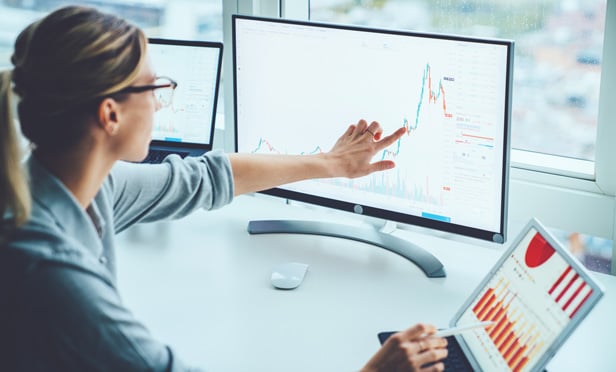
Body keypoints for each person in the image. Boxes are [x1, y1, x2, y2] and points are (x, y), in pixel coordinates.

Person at [0, 5, 448, 371]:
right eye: (153, 87)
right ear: (110, 115)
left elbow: (203, 178)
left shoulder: (73, 185)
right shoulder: (51, 270)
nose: (160, 101)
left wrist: (330, 163)